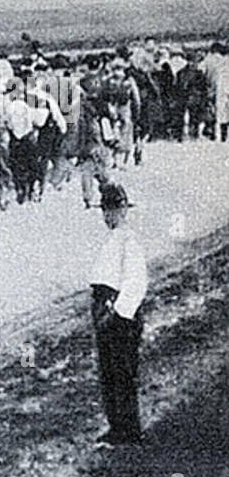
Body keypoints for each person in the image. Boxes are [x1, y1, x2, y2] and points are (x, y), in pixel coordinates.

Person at [89, 182, 147, 446]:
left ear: (122, 210)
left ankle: (129, 431)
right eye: (105, 210)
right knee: (109, 372)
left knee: (122, 372)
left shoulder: (128, 239)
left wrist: (118, 314)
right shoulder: (113, 238)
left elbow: (136, 282)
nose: (108, 215)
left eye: (112, 209)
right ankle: (117, 427)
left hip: (121, 314)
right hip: (107, 309)